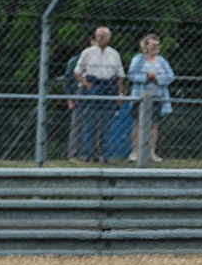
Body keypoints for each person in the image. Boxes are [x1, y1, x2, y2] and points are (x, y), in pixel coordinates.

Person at [74, 26, 125, 162]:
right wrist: (86, 84)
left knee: (107, 123)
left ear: (109, 38)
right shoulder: (88, 53)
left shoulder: (114, 54)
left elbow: (120, 76)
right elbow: (77, 71)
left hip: (109, 86)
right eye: (98, 36)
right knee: (90, 121)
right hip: (94, 85)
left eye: (103, 36)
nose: (100, 39)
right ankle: (87, 153)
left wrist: (119, 93)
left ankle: (107, 155)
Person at [126, 33, 175, 163]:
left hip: (157, 97)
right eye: (153, 45)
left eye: (157, 45)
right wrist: (146, 78)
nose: (156, 48)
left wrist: (157, 78)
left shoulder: (162, 61)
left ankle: (151, 152)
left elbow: (170, 76)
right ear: (146, 46)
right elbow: (132, 74)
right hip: (141, 97)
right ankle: (135, 152)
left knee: (154, 124)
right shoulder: (138, 59)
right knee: (138, 123)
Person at [63, 37, 92, 161]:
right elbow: (68, 80)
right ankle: (73, 155)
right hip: (79, 92)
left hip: (94, 92)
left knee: (95, 124)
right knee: (77, 124)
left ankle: (92, 154)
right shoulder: (75, 61)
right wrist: (70, 98)